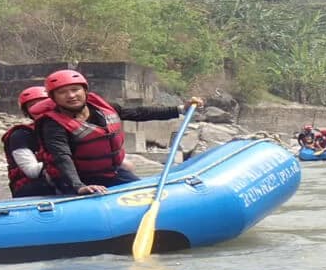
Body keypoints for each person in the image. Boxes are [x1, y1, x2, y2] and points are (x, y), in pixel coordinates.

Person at [36, 69, 204, 195]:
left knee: (145, 195)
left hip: (110, 172)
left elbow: (139, 113)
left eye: (75, 89)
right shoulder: (53, 125)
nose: (71, 95)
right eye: (62, 92)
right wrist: (79, 186)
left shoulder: (104, 108)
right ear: (54, 98)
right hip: (76, 179)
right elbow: (61, 157)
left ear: (85, 91)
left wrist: (181, 109)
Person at [3, 86, 57, 198]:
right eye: (33, 105)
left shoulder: (66, 129)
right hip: (32, 187)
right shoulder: (20, 135)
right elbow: (31, 171)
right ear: (27, 111)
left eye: (44, 102)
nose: (40, 107)